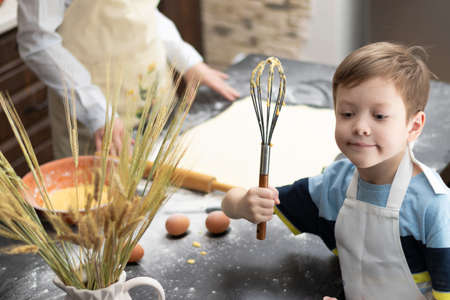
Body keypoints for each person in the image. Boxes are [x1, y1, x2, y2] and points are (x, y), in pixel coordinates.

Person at [222, 42, 450, 300]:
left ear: (413, 126)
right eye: (347, 113)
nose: (360, 127)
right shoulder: (333, 186)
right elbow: (231, 203)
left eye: (379, 116)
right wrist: (243, 204)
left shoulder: (434, 208)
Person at [17, 0, 240, 158]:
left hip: (156, 93)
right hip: (95, 110)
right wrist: (96, 111)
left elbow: (139, 9)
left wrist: (187, 60)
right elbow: (38, 40)